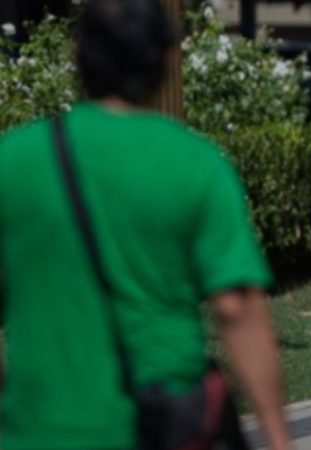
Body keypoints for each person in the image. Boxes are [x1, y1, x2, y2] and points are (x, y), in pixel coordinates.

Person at [0, 1, 293, 449]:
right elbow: (237, 311)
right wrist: (278, 439)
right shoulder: (194, 163)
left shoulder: (13, 161)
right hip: (159, 427)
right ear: (165, 61)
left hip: (37, 431)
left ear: (77, 58)